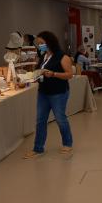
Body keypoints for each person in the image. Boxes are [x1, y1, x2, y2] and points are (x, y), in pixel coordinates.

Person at [24, 31, 74, 159]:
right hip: (43, 92)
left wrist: (54, 74)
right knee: (40, 120)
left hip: (58, 92)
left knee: (60, 119)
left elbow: (69, 75)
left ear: (49, 42)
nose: (40, 46)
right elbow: (39, 71)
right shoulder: (43, 57)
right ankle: (38, 148)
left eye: (42, 43)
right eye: (39, 44)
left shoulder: (62, 57)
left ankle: (67, 143)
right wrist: (35, 75)